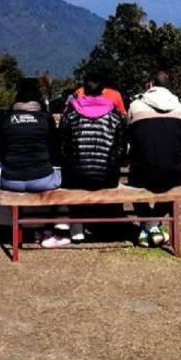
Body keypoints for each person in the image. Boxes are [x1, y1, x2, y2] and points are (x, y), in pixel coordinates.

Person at [0, 78, 63, 247]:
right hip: (42, 179)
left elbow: (1, 152)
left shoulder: (5, 119)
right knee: (65, 176)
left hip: (11, 180)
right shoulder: (45, 118)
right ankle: (57, 226)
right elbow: (55, 150)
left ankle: (15, 225)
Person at [59, 74, 125, 243]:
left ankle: (77, 227)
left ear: (83, 91)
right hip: (107, 177)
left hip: (76, 177)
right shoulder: (114, 114)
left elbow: (63, 145)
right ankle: (108, 227)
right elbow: (120, 148)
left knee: (71, 174)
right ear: (103, 91)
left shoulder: (71, 112)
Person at [127, 71, 181, 247]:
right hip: (173, 175)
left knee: (133, 179)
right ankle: (154, 225)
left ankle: (148, 225)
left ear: (150, 85)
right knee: (175, 179)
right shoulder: (180, 108)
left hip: (142, 174)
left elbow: (129, 141)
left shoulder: (135, 106)